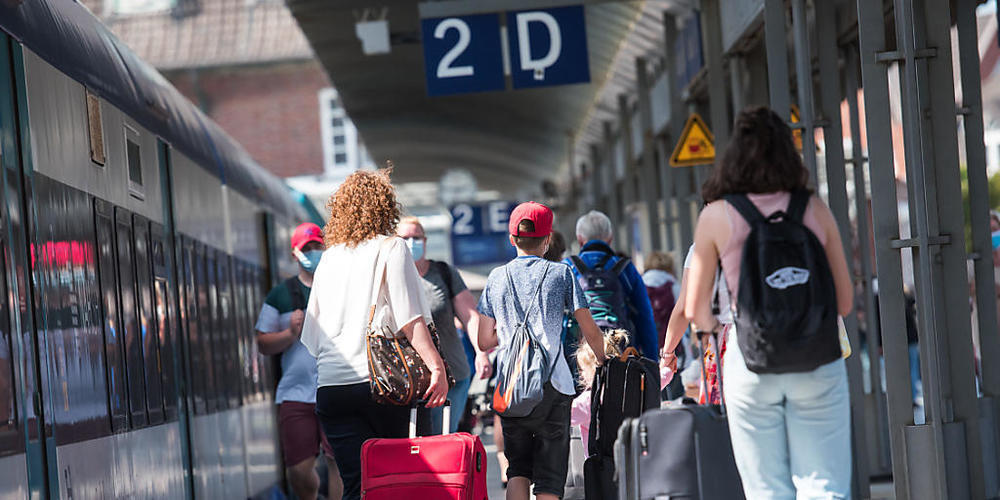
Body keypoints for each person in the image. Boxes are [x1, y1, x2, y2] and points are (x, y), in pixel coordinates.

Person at [685, 106, 854, 498]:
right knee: (825, 485)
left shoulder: (715, 217)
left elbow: (696, 311)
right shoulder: (814, 209)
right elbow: (844, 303)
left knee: (766, 490)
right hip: (818, 359)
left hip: (749, 361)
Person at [300, 169, 449, 500]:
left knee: (356, 485)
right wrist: (437, 368)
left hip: (332, 391)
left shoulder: (327, 260)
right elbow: (410, 319)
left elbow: (311, 337)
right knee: (390, 483)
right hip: (382, 386)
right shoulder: (391, 248)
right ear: (385, 208)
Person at [476, 201, 607, 500]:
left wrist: (509, 334)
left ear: (512, 239)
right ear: (548, 240)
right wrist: (603, 360)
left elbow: (484, 340)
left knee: (517, 471)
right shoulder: (561, 274)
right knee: (549, 478)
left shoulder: (496, 278)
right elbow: (588, 327)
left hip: (512, 386)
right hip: (554, 385)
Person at [254, 222, 342, 500]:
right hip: (295, 393)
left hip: (334, 388)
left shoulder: (339, 289)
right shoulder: (280, 295)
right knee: (299, 470)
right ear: (295, 253)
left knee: (337, 462)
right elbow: (262, 343)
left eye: (318, 246)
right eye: (308, 249)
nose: (313, 252)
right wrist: (290, 333)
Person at [396, 216, 490, 434]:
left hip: (452, 376)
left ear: (425, 241)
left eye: (416, 237)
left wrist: (481, 351)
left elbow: (470, 316)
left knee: (441, 441)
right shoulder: (391, 278)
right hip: (407, 380)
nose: (412, 243)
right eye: (405, 238)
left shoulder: (444, 273)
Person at [565, 211, 658, 358]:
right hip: (620, 354)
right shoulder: (625, 268)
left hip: (580, 356)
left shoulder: (567, 268)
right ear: (610, 238)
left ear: (580, 239)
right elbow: (644, 316)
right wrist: (652, 361)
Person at [570, 329, 629, 456]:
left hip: (599, 468)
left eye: (582, 369)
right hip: (629, 462)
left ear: (593, 370)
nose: (581, 374)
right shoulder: (629, 388)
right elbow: (660, 380)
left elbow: (561, 417)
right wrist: (667, 368)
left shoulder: (587, 401)